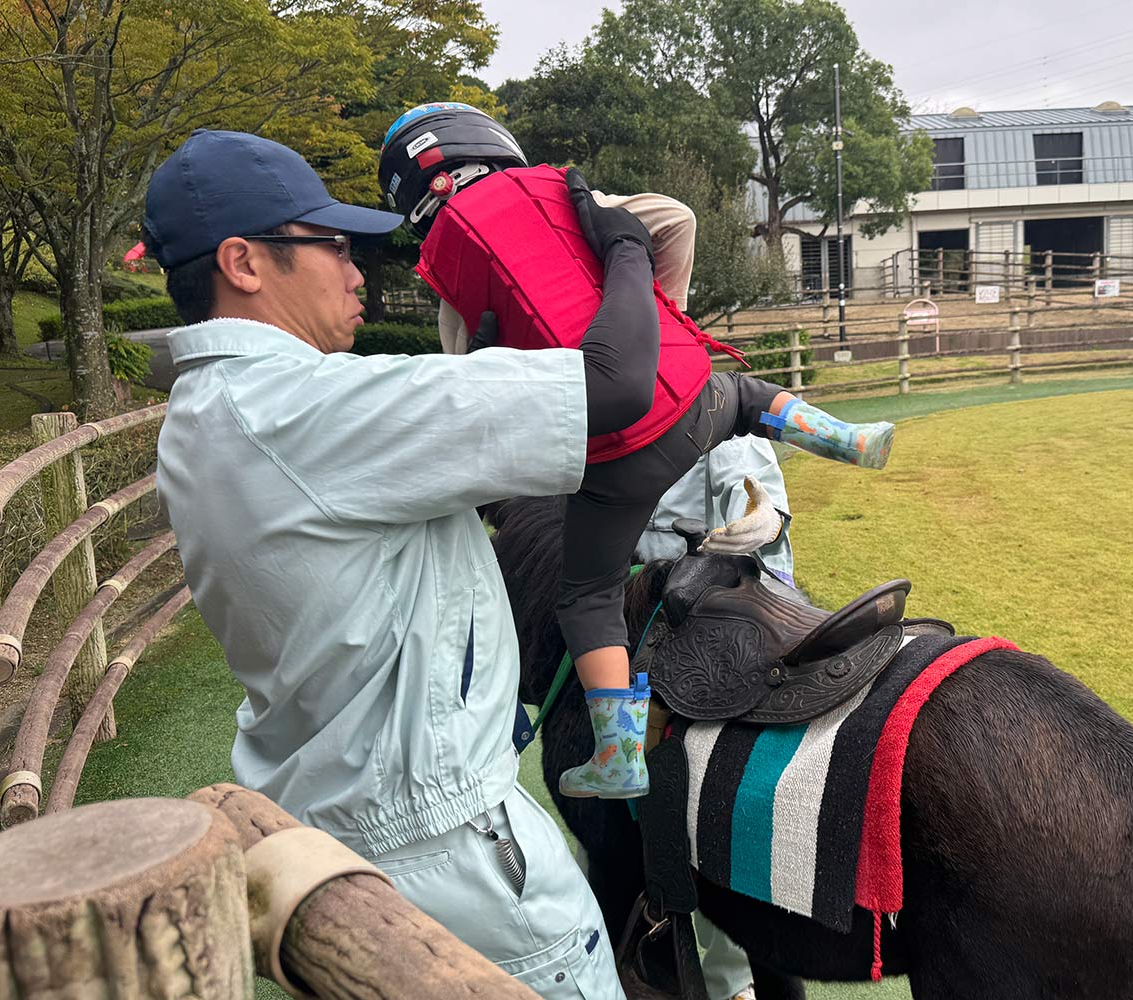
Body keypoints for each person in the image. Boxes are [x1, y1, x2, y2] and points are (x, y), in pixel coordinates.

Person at [145, 129, 643, 999]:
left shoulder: (201, 417)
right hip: (451, 851)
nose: (356, 272)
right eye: (331, 245)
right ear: (243, 263)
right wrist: (627, 247)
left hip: (333, 836)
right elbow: (619, 384)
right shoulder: (313, 406)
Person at [379, 102, 894, 801]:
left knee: (587, 599)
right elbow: (674, 218)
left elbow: (480, 421)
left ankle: (618, 753)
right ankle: (848, 439)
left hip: (620, 488)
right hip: (678, 425)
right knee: (741, 399)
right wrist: (647, 310)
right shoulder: (569, 208)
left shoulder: (456, 295)